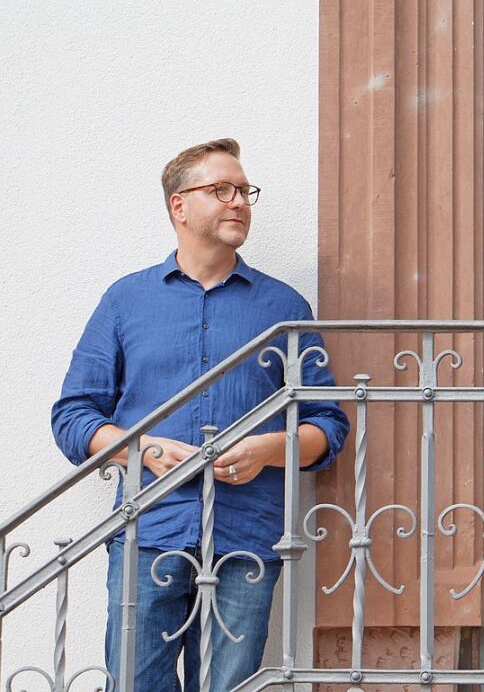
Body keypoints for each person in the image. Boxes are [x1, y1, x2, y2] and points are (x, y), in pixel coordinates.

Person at [52, 139, 349, 692]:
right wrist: (146, 450)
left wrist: (266, 450)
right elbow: (73, 416)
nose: (239, 202)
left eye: (245, 191)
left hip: (246, 540)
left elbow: (327, 426)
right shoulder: (125, 301)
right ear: (179, 206)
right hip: (149, 531)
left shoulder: (284, 308)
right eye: (222, 190)